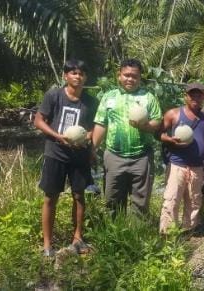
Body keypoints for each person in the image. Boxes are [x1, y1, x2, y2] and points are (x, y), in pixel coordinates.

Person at [34, 59, 98, 256]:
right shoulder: (54, 95)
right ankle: (47, 245)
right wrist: (57, 136)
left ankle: (78, 238)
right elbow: (38, 120)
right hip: (55, 153)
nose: (77, 76)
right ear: (65, 76)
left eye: (81, 73)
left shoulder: (91, 101)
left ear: (85, 77)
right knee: (50, 197)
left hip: (79, 155)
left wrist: (87, 139)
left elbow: (95, 127)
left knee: (79, 196)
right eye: (73, 73)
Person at [92, 59, 162, 216]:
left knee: (140, 200)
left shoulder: (149, 97)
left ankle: (137, 235)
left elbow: (157, 121)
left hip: (141, 157)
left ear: (140, 78)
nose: (130, 79)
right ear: (119, 76)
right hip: (114, 155)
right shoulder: (109, 97)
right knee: (112, 198)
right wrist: (93, 149)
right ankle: (115, 234)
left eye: (134, 76)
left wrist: (144, 126)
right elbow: (100, 124)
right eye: (127, 75)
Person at [159, 83, 204, 234]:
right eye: (192, 94)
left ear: (203, 97)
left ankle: (189, 230)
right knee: (172, 199)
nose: (195, 97)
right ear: (186, 96)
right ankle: (167, 233)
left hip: (197, 166)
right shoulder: (173, 114)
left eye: (199, 95)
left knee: (194, 200)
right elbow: (159, 134)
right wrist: (169, 140)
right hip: (177, 164)